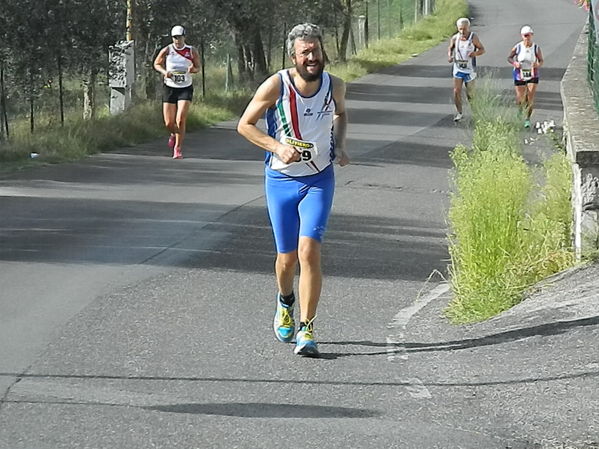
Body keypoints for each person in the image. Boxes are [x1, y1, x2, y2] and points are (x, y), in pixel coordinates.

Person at [237, 23, 349, 357]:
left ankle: (307, 328)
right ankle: (285, 301)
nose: (312, 57)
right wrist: (275, 147)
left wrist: (340, 145)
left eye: (316, 50)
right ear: (293, 57)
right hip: (282, 181)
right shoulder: (277, 85)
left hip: (318, 180)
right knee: (286, 260)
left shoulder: (335, 86)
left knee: (309, 251)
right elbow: (244, 125)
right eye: (306, 52)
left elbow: (341, 114)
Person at [153, 25, 201, 159]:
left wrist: (193, 70)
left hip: (185, 87)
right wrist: (165, 72)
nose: (177, 40)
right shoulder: (167, 50)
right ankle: (173, 134)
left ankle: (178, 148)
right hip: (170, 87)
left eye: (179, 37)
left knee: (180, 119)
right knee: (169, 122)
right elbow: (156, 64)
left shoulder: (191, 51)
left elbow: (198, 67)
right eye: (175, 37)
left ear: (184, 37)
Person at [447, 18, 485, 121]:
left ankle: (476, 113)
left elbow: (482, 49)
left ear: (468, 27)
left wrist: (475, 53)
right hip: (458, 68)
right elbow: (450, 48)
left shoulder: (473, 37)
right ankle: (459, 113)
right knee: (456, 91)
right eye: (460, 29)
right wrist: (450, 56)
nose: (462, 31)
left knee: (470, 94)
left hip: (469, 69)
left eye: (464, 29)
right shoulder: (455, 38)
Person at [507, 25, 544, 128]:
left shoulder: (536, 47)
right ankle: (519, 110)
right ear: (522, 36)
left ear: (532, 35)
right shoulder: (518, 47)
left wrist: (537, 65)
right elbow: (509, 58)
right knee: (521, 98)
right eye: (525, 35)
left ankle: (527, 119)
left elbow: (541, 60)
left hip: (532, 74)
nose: (526, 38)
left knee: (530, 97)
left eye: (528, 35)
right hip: (520, 74)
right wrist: (515, 63)